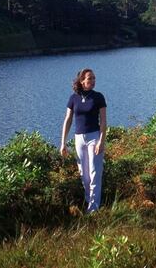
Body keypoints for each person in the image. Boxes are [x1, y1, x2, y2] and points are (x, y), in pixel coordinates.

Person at [60, 68, 107, 213]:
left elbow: (104, 121)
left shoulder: (98, 97)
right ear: (82, 81)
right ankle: (89, 201)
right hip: (79, 138)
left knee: (94, 173)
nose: (92, 81)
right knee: (84, 175)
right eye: (89, 78)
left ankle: (93, 208)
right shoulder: (73, 98)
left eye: (94, 78)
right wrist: (63, 143)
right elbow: (68, 120)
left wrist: (101, 141)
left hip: (94, 137)